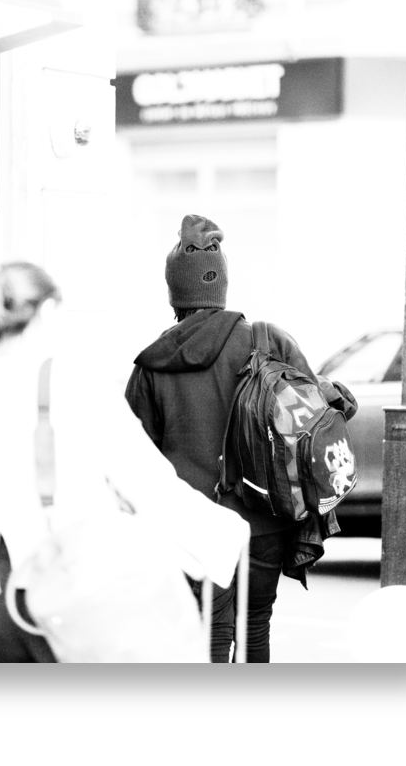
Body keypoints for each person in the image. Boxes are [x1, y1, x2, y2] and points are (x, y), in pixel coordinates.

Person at [0, 260, 249, 663]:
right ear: (48, 310)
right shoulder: (72, 379)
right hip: (69, 589)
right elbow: (145, 482)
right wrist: (222, 532)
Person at [125, 214, 348, 663]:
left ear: (175, 294)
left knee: (208, 634)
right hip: (264, 516)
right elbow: (320, 414)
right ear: (221, 285)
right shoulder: (268, 342)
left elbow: (133, 457)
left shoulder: (152, 365)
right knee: (255, 626)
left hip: (192, 524)